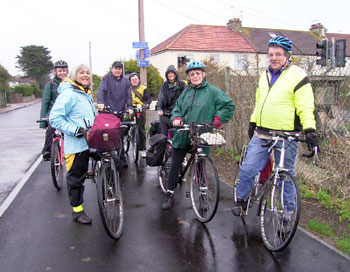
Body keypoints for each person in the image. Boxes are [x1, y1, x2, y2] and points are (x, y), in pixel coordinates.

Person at [232, 36, 319, 218]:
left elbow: (305, 107)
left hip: (287, 135)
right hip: (262, 132)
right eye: (271, 54)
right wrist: (253, 121)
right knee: (248, 169)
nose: (274, 58)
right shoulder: (264, 75)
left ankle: (287, 212)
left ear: (287, 56)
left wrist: (310, 130)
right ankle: (242, 198)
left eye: (278, 54)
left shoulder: (298, 76)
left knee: (285, 175)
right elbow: (259, 102)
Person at [162, 61, 235, 210]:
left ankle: (202, 197)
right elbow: (177, 109)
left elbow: (229, 105)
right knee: (175, 165)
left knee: (200, 165)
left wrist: (217, 119)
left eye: (198, 73)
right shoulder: (185, 93)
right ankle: (169, 193)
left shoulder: (213, 92)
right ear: (188, 77)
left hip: (201, 134)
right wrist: (176, 118)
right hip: (183, 133)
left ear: (204, 75)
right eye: (192, 74)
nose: (195, 76)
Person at [49, 64, 95, 224]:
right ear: (75, 75)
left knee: (114, 160)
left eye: (88, 73)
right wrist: (76, 130)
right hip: (76, 145)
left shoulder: (85, 93)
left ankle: (110, 193)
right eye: (82, 73)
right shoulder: (69, 94)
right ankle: (77, 211)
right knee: (76, 179)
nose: (85, 75)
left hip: (90, 141)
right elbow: (54, 119)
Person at [97, 61, 132, 167]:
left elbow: (128, 95)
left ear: (122, 70)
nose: (118, 70)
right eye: (116, 68)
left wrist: (129, 107)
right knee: (107, 134)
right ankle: (106, 154)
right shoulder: (106, 79)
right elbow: (101, 91)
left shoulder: (126, 81)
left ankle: (122, 157)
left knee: (119, 135)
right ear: (112, 69)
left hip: (120, 111)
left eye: (119, 69)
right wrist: (100, 102)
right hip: (108, 111)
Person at [39, 60, 68, 159]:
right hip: (53, 113)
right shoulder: (50, 85)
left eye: (64, 70)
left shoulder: (70, 83)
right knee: (51, 129)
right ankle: (47, 151)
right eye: (60, 71)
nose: (62, 73)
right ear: (56, 72)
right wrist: (43, 121)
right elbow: (45, 103)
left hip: (67, 113)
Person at [156, 65, 187, 136]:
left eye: (172, 72)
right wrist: (159, 108)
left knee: (179, 133)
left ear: (175, 73)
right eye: (168, 73)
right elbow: (161, 97)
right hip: (166, 112)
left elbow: (186, 96)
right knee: (164, 134)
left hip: (178, 113)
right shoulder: (165, 85)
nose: (170, 74)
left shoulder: (182, 84)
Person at [128, 72, 152, 158]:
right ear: (130, 81)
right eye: (132, 79)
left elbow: (148, 98)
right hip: (129, 108)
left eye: (136, 79)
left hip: (140, 108)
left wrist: (147, 105)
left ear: (138, 80)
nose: (134, 81)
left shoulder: (143, 88)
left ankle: (142, 149)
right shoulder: (127, 89)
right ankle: (127, 137)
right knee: (124, 125)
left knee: (141, 129)